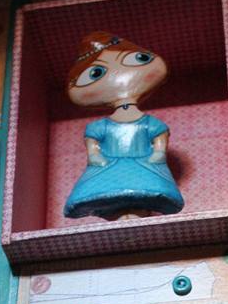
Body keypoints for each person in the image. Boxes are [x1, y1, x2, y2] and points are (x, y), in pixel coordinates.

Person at [64, 31, 184, 219]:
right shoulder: (103, 125)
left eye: (139, 59)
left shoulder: (148, 123)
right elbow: (92, 138)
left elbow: (160, 134)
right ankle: (117, 213)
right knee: (104, 191)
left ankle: (135, 212)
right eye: (95, 73)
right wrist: (94, 155)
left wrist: (159, 153)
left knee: (147, 189)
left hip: (143, 164)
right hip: (108, 165)